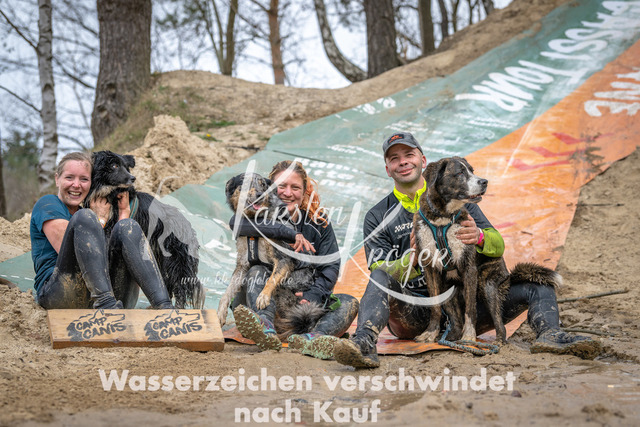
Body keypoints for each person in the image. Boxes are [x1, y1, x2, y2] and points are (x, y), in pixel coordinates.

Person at [332, 132, 601, 368]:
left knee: (538, 283)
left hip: (470, 304)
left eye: (409, 155)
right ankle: (364, 342)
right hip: (416, 311)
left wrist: (479, 236)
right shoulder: (377, 215)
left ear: (422, 161)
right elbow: (378, 270)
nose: (403, 162)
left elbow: (498, 244)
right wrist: (410, 260)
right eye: (394, 158)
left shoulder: (461, 198)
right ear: (387, 169)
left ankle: (550, 335)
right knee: (379, 278)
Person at [229, 160, 359, 358]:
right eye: (281, 186)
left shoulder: (318, 222)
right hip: (259, 297)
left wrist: (314, 295)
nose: (288, 193)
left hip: (298, 308)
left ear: (305, 192)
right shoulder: (255, 214)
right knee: (256, 271)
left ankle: (313, 338)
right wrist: (291, 234)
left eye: (295, 187)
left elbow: (331, 266)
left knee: (349, 302)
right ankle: (264, 327)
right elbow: (236, 223)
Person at [30, 152, 173, 310]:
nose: (76, 185)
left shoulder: (86, 214)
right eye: (69, 178)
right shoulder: (48, 204)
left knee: (127, 226)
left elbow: (119, 262)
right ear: (57, 179)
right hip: (60, 294)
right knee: (85, 217)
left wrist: (123, 215)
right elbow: (77, 253)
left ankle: (164, 306)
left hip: (110, 297)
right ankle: (106, 306)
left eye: (84, 179)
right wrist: (100, 220)